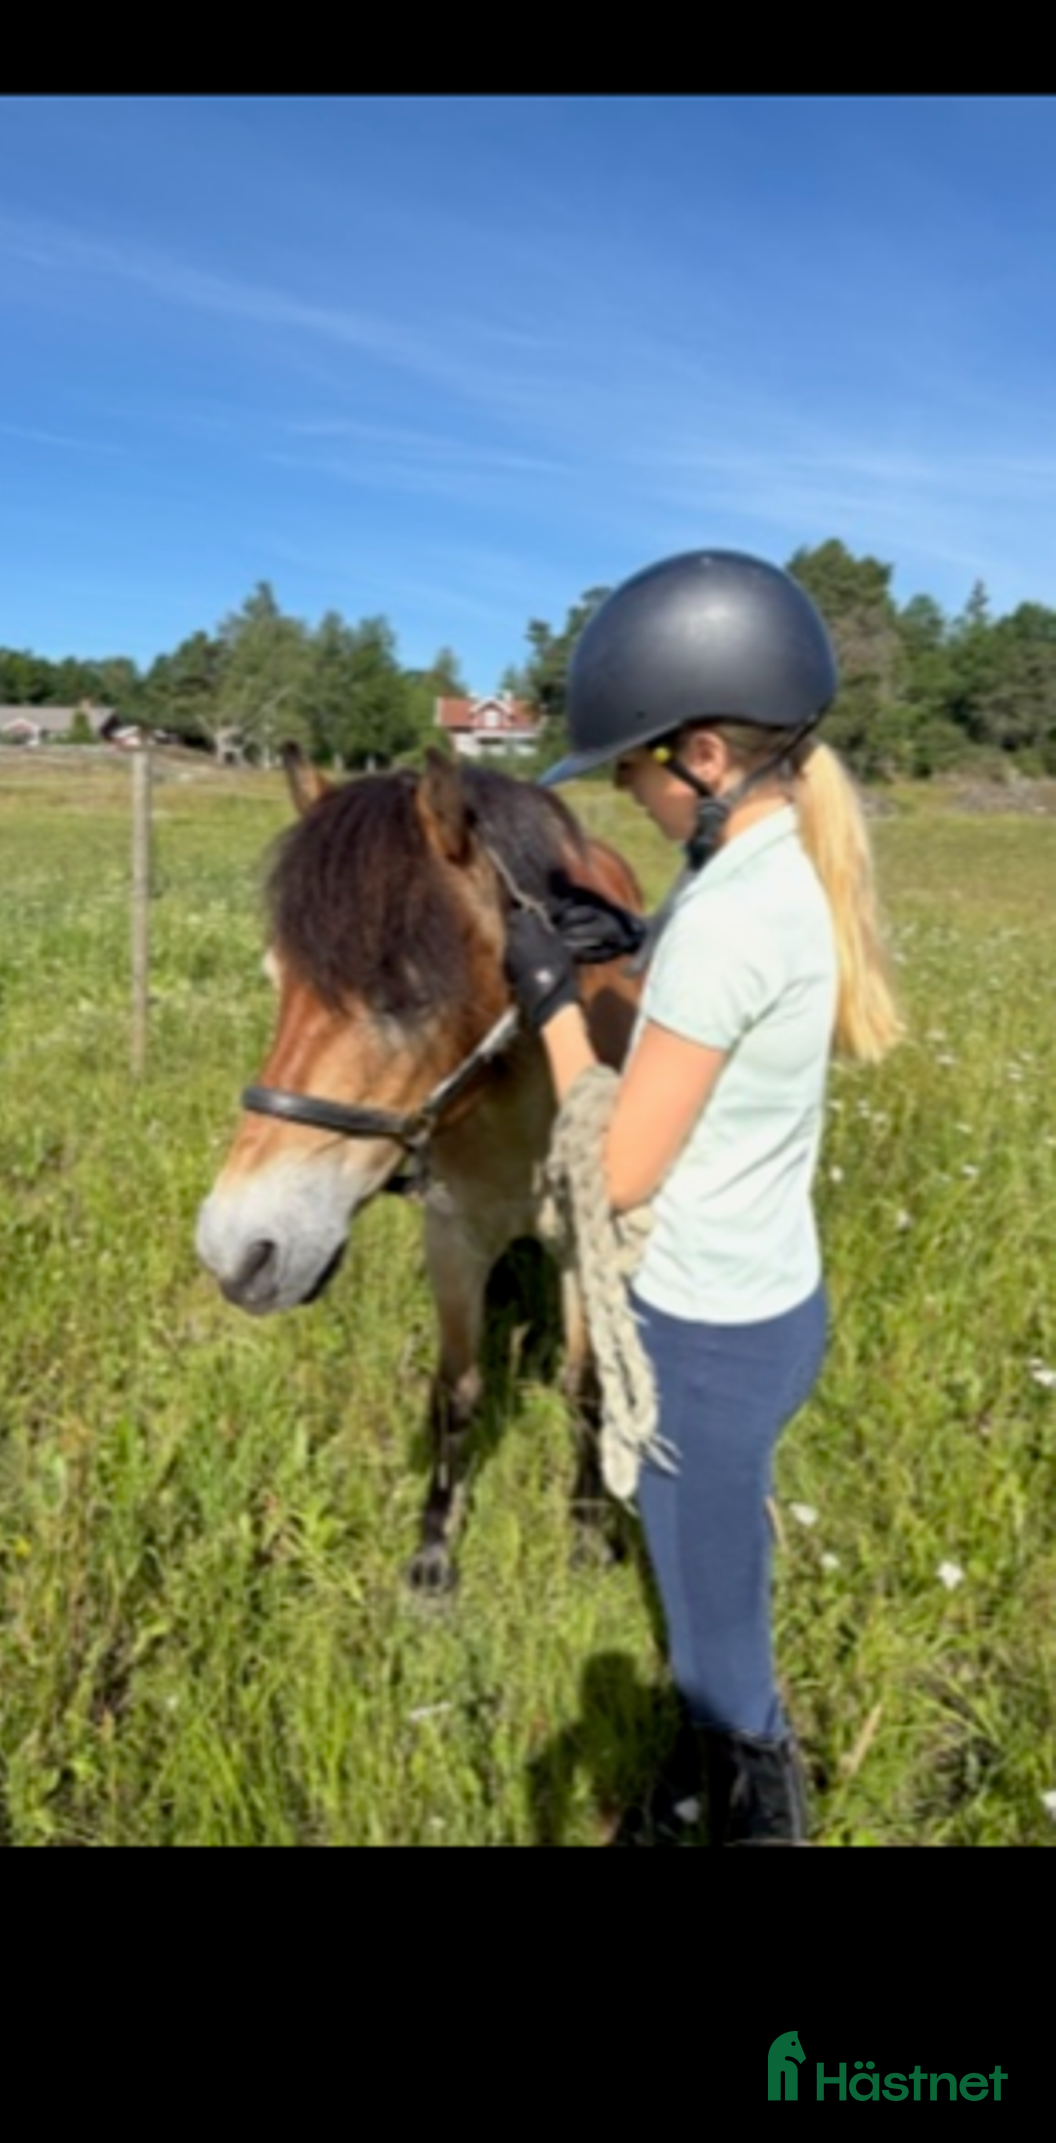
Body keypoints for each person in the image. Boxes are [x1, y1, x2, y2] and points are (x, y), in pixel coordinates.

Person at [503, 549, 902, 1846]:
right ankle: (706, 1782)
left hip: (705, 1339)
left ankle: (751, 1814)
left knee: (718, 1650)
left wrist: (555, 1001)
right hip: (772, 1301)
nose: (626, 790)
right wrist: (631, 946)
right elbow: (709, 1007)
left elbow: (614, 1168)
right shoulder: (764, 874)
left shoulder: (732, 916)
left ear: (707, 756)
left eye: (633, 767)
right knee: (708, 1598)